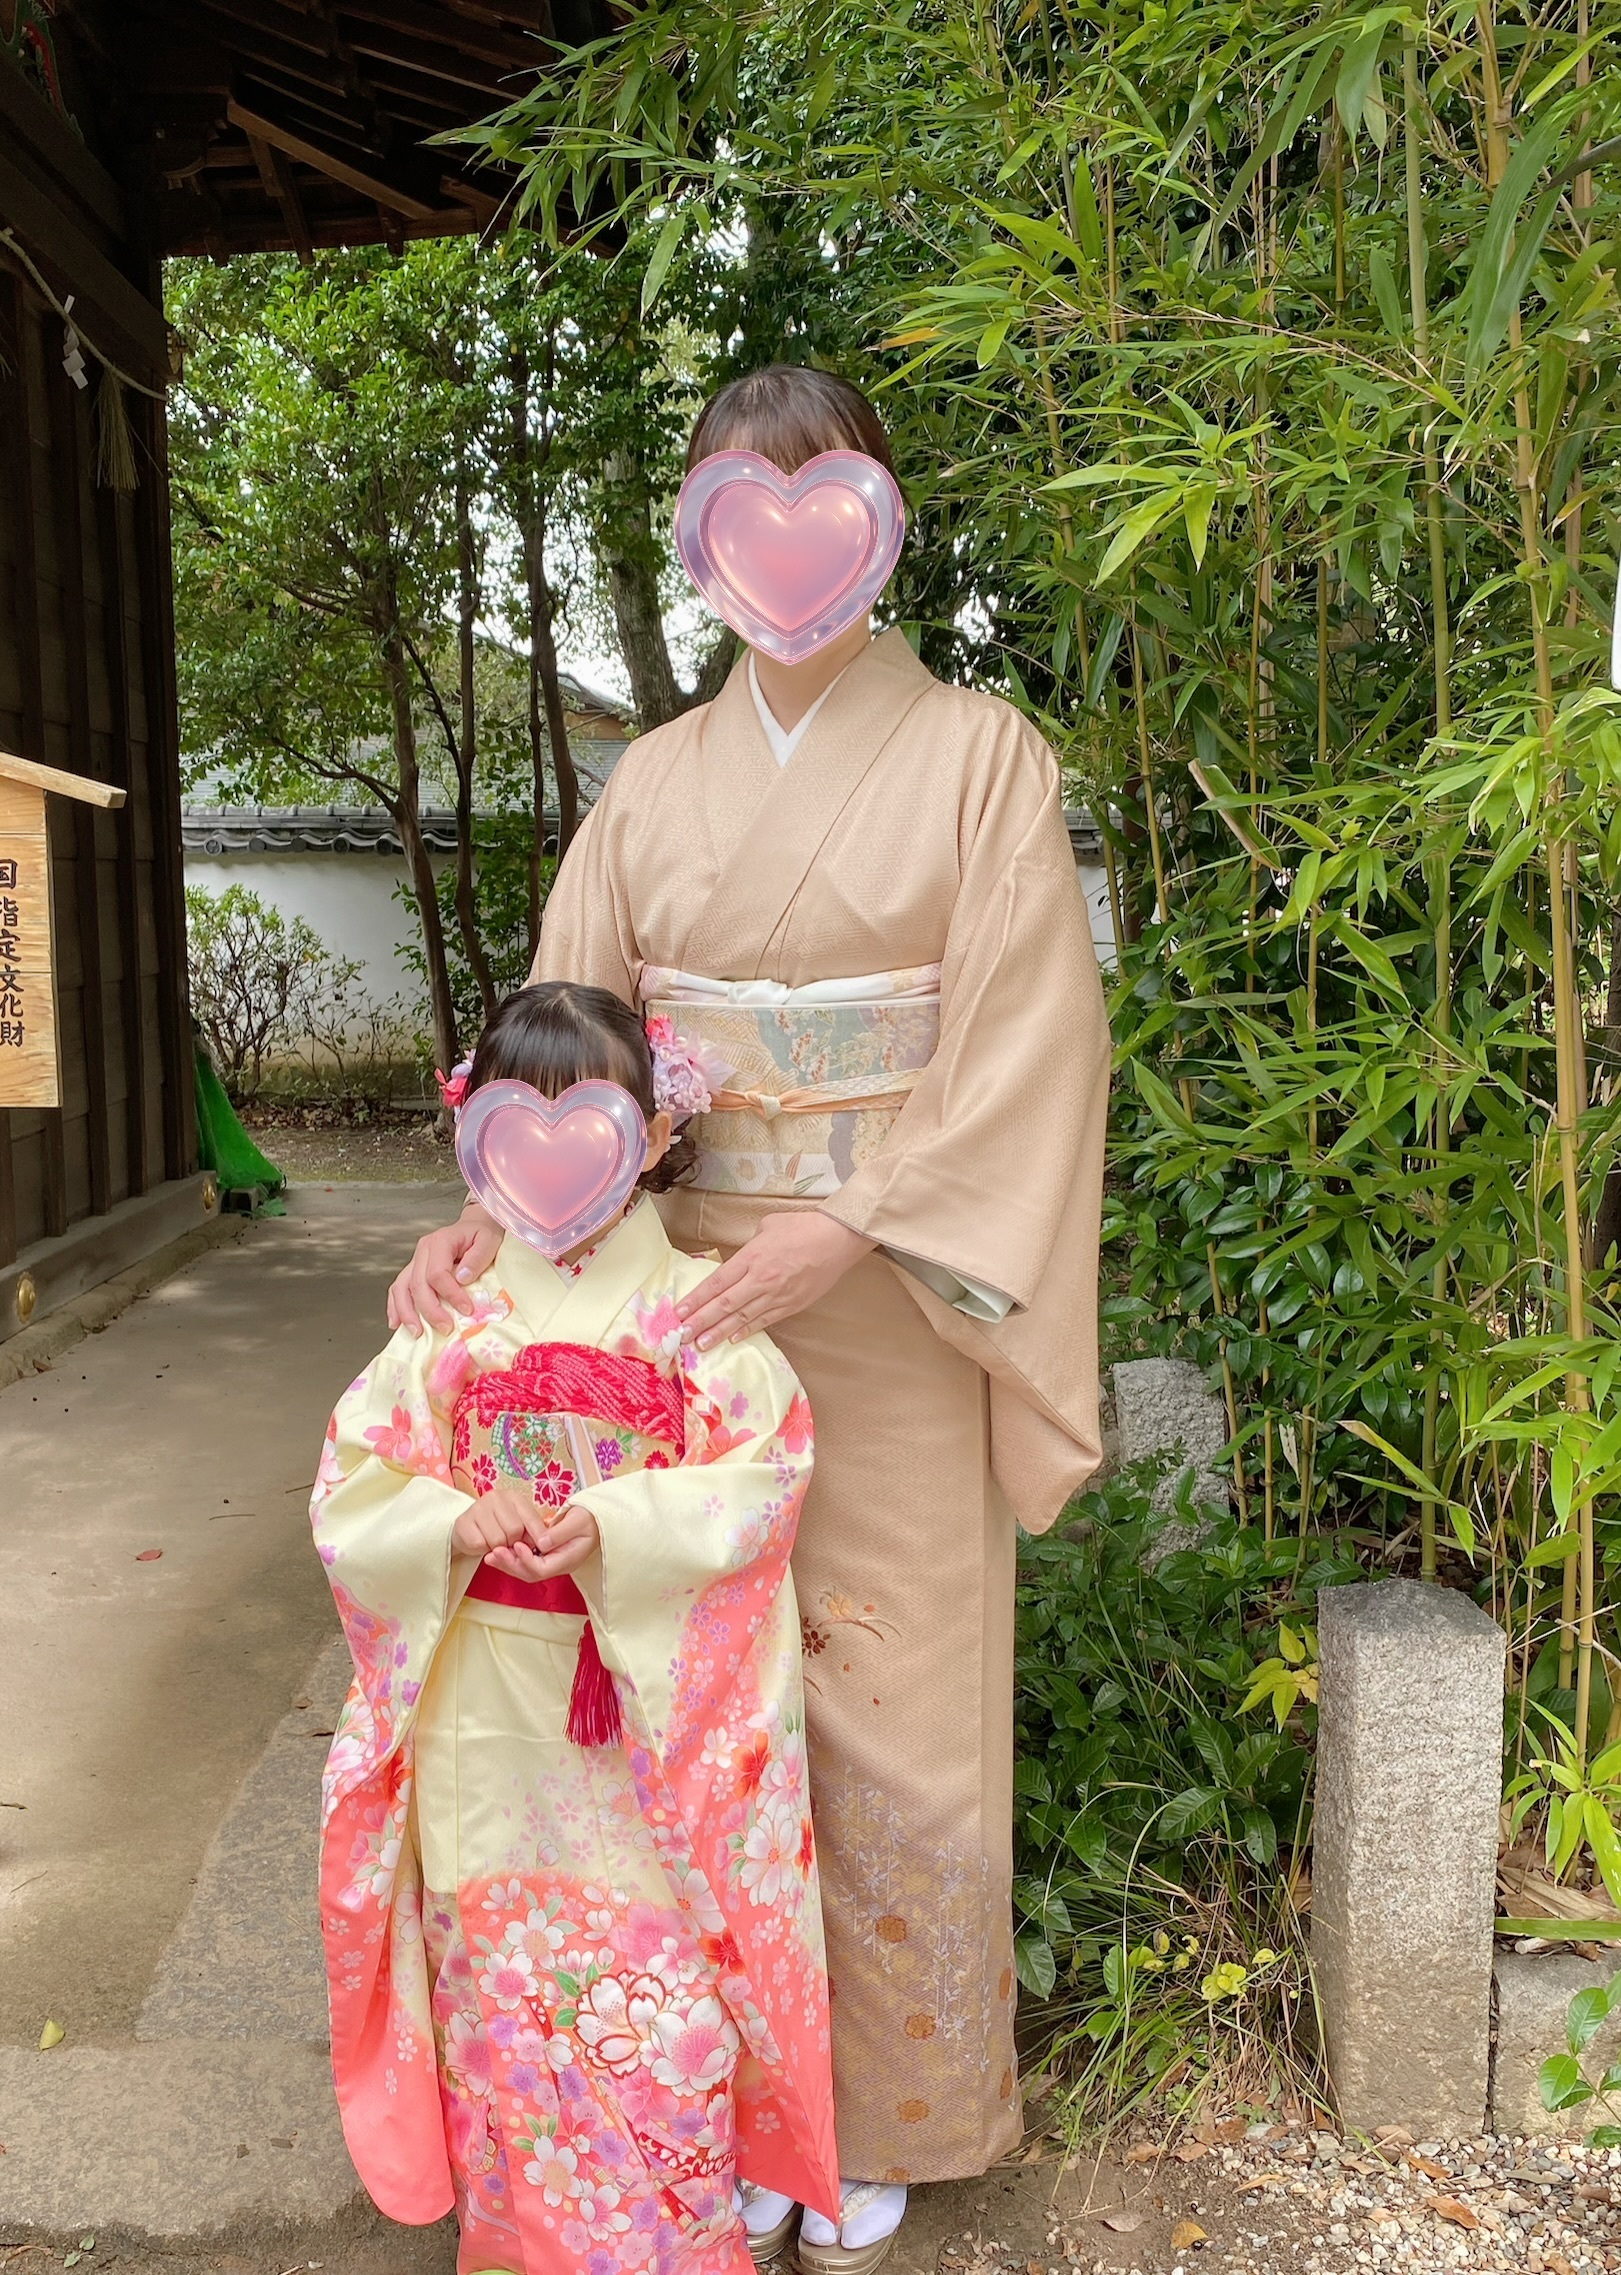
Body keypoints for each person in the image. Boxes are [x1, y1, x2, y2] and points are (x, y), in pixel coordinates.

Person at [388, 365, 1111, 2272]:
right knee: (679, 1694)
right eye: (733, 506)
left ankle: (873, 2109)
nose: (777, 553)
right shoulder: (654, 780)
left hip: (892, 1293)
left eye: (814, 499)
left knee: (888, 1703)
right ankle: (695, 2103)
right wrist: (486, 1216)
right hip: (674, 1305)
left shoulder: (980, 757)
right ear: (703, 544)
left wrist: (854, 1223)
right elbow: (566, 1031)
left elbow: (1030, 1041)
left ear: (875, 525)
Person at [313, 981, 838, 2275]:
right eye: (516, 1118)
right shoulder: (454, 1314)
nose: (553, 1154)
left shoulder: (698, 1315)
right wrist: (451, 1520)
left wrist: (616, 1524)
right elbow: (353, 1483)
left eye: (589, 1117)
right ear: (476, 1137)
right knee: (500, 1994)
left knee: (655, 2008)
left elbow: (763, 1480)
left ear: (653, 1134)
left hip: (639, 1727)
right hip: (488, 1719)